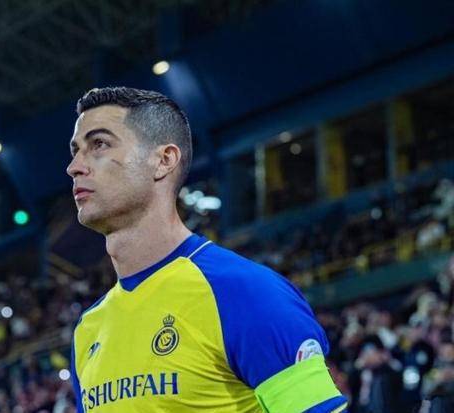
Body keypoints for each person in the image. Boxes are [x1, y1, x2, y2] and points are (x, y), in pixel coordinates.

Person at [66, 87, 347, 413]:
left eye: (99, 144)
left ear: (163, 160)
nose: (74, 166)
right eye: (76, 150)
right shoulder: (88, 329)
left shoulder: (244, 292)